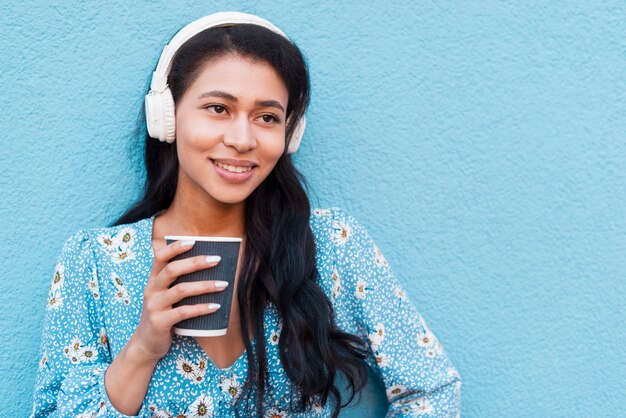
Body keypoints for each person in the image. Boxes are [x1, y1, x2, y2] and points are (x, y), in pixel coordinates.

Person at [30, 11, 462, 418]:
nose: (242, 139)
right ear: (167, 117)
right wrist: (142, 348)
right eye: (218, 108)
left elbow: (432, 389)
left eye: (267, 117)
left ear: (289, 133)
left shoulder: (331, 245)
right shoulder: (96, 264)